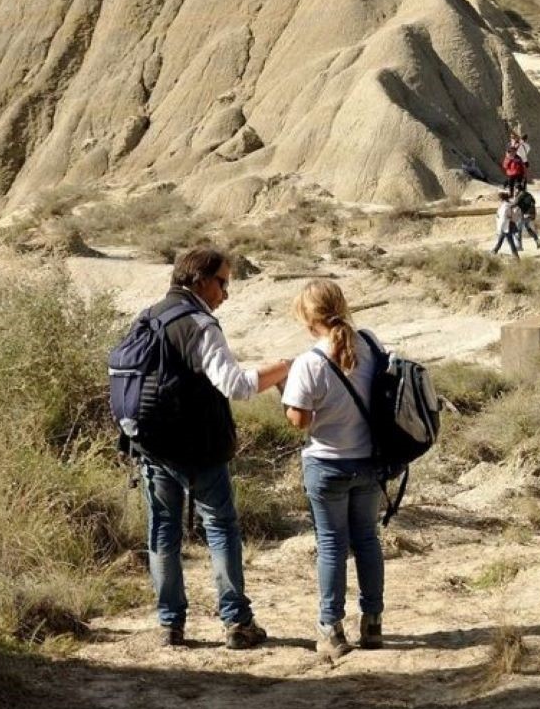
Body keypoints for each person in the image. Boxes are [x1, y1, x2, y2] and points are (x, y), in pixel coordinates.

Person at [133, 247, 289, 648]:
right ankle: (237, 622)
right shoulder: (200, 324)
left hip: (152, 446)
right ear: (199, 280)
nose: (225, 293)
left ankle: (170, 625)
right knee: (220, 530)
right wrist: (281, 369)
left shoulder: (148, 317)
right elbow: (235, 386)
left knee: (163, 533)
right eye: (222, 282)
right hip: (200, 448)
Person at [281, 280, 387, 661]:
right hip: (369, 461)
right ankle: (372, 622)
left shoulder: (309, 362)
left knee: (331, 545)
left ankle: (331, 627)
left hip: (327, 464)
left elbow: (300, 421)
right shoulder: (370, 344)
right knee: (367, 540)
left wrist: (285, 395)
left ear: (309, 319)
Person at [492, 191, 520, 257]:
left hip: (506, 225)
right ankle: (516, 256)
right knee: (508, 240)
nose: (499, 200)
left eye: (499, 198)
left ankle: (494, 252)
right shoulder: (507, 205)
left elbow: (503, 217)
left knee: (507, 241)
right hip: (506, 226)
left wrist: (500, 227)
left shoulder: (506, 206)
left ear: (502, 198)